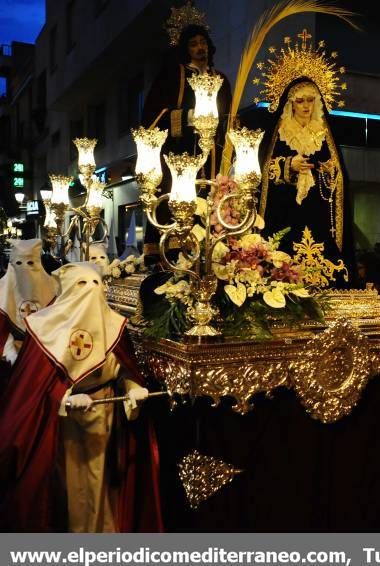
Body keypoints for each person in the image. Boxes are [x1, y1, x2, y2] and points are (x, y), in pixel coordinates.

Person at [0, 263, 162, 532]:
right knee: (71, 487)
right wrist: (63, 398)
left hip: (105, 420)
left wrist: (133, 388)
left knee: (101, 486)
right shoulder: (46, 329)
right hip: (64, 428)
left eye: (96, 284)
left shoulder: (113, 326)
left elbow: (123, 368)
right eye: (82, 285)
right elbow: (31, 390)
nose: (90, 292)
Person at [141, 22, 232, 260]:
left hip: (213, 150)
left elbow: (230, 116)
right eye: (193, 44)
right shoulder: (174, 75)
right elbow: (152, 115)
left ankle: (212, 246)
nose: (200, 48)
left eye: (203, 42)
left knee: (212, 192)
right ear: (186, 49)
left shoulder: (220, 78)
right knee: (178, 194)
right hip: (180, 151)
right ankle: (173, 251)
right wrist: (186, 116)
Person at [260, 79, 347, 257]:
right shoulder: (279, 132)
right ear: (291, 103)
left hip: (317, 210)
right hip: (284, 209)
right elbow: (263, 168)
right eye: (300, 101)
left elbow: (339, 172)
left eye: (310, 100)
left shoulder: (323, 132)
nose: (306, 106)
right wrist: (289, 165)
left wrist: (329, 170)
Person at [0, 239, 58, 368]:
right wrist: (10, 352)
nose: (25, 268)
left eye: (31, 263)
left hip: (44, 354)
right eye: (19, 263)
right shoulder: (1, 290)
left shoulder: (53, 288)